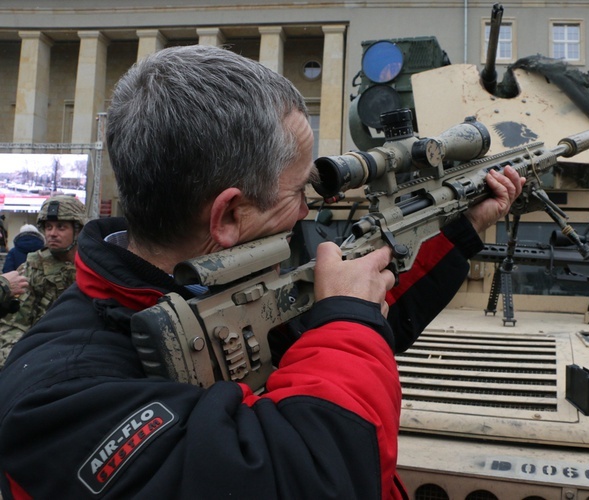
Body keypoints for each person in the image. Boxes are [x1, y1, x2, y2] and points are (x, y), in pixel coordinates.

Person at [0, 45, 524, 499]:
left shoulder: (237, 283)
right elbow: (317, 475)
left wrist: (465, 227)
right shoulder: (55, 400)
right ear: (229, 215)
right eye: (297, 192)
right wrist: (347, 324)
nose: (307, 211)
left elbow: (367, 326)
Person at [0, 195, 86, 365]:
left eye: (61, 227)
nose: (52, 234)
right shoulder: (32, 268)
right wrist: (18, 362)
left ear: (77, 231)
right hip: (40, 356)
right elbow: (14, 325)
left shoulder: (94, 266)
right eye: (48, 227)